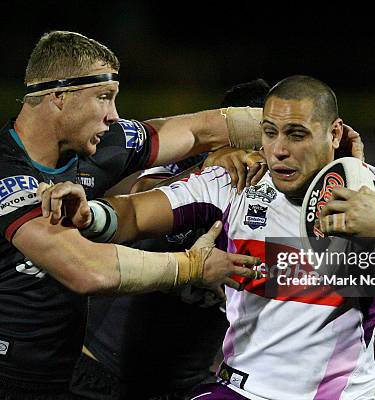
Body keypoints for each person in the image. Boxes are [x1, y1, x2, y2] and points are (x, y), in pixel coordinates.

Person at [39, 75, 375, 400]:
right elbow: (132, 212)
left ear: (333, 134)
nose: (278, 149)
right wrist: (89, 211)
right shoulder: (233, 180)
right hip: (227, 388)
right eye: (268, 133)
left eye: (296, 134)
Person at [0, 30, 267, 400]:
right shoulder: (2, 178)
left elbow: (198, 129)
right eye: (104, 98)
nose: (114, 115)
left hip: (50, 384)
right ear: (58, 96)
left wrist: (295, 136)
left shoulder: (102, 145)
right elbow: (86, 269)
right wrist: (192, 266)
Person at [69, 79, 271, 400]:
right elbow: (138, 200)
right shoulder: (190, 161)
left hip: (182, 386)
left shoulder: (285, 202)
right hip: (99, 368)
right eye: (258, 137)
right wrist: (206, 168)